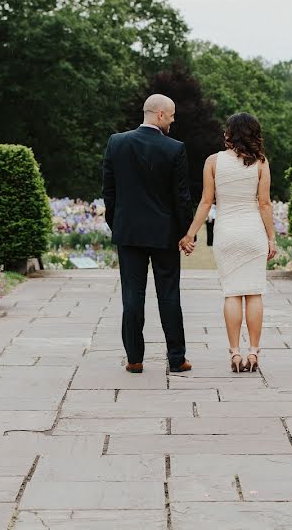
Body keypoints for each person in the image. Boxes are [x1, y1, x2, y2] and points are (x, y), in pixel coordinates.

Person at [102, 94, 193, 374]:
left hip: (128, 232)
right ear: (161, 115)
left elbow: (109, 191)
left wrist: (116, 224)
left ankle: (134, 358)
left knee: (132, 295)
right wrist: (185, 232)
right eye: (173, 115)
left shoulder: (116, 143)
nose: (174, 121)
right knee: (169, 295)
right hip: (164, 234)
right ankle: (176, 359)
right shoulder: (175, 149)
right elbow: (181, 197)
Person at [180, 113, 276, 373]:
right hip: (252, 231)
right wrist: (271, 237)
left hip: (226, 232)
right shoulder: (260, 163)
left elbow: (205, 202)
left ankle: (235, 352)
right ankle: (253, 352)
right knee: (254, 292)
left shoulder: (213, 162)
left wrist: (191, 233)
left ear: (229, 135)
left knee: (232, 292)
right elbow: (265, 204)